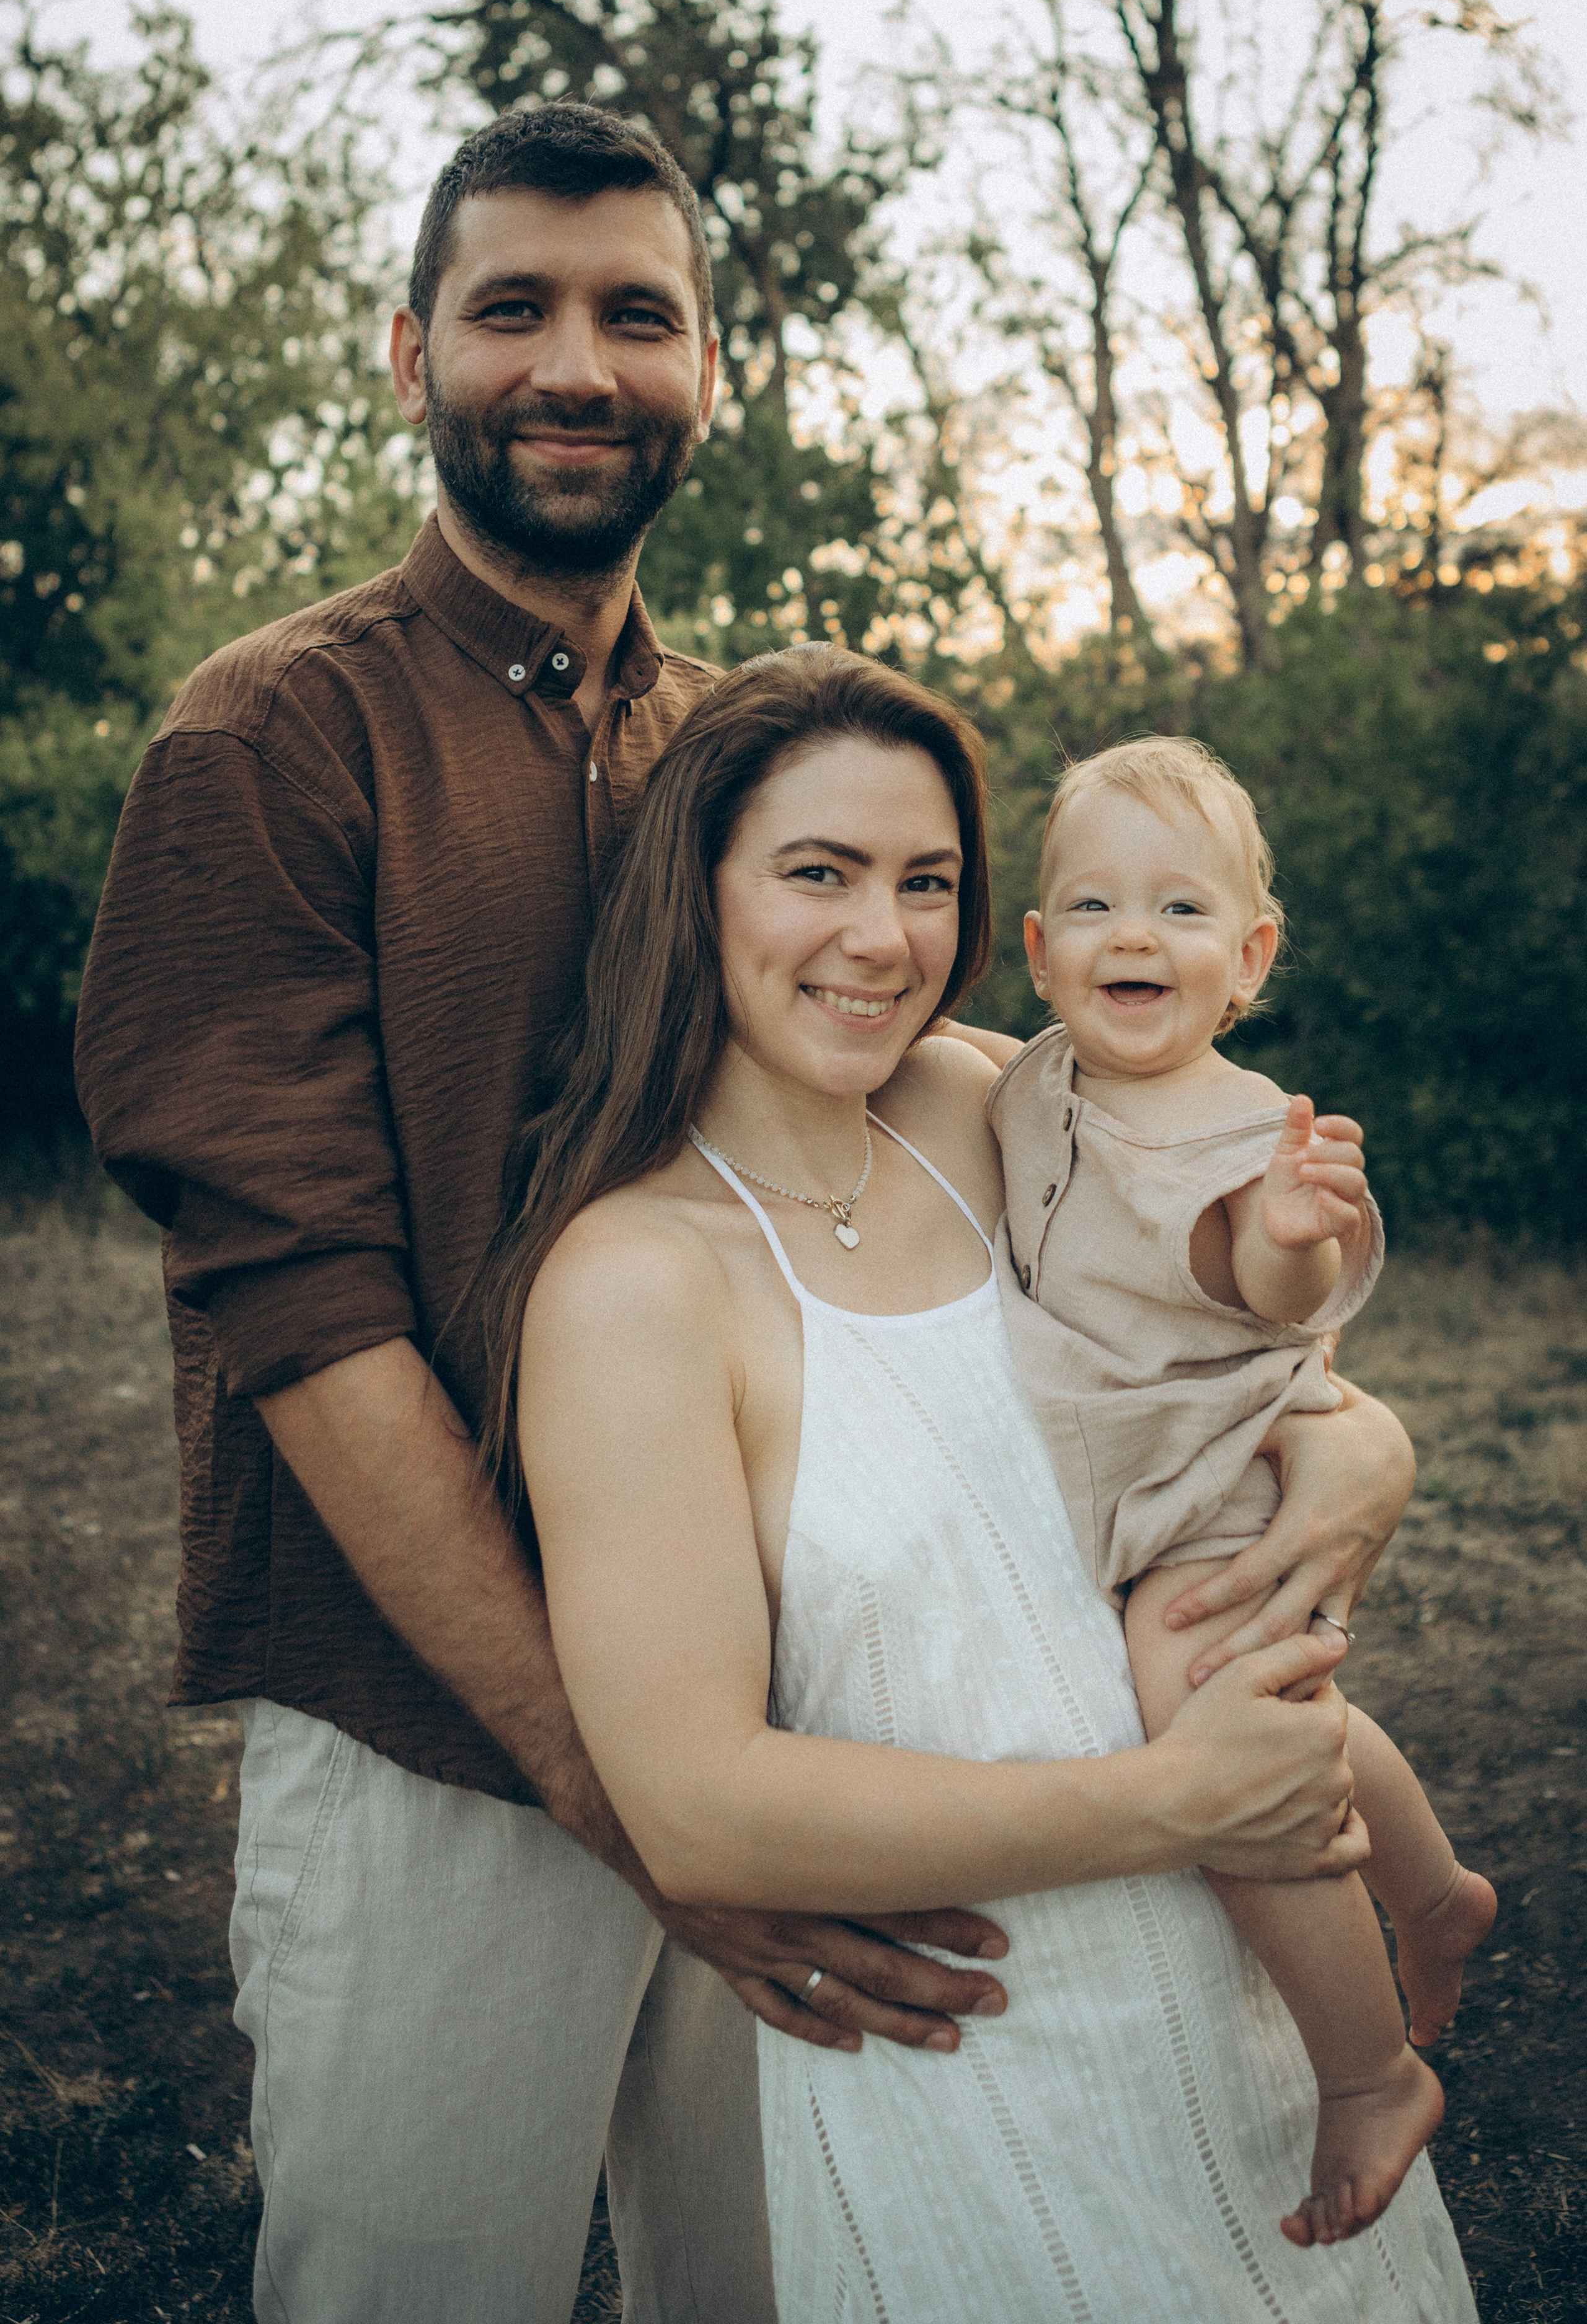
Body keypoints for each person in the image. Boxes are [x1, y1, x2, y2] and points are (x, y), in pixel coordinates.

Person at [74, 103, 1028, 2324]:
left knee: (784, 2290)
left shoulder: (740, 761)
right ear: (411, 354)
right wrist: (630, 1798)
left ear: (715, 367)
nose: (576, 364)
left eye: (637, 314)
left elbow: (934, 1129)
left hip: (785, 1710)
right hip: (446, 1734)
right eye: (513, 309)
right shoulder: (275, 741)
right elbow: (301, 1323)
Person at [490, 642, 1477, 2320]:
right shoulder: (629, 1282)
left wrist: (1353, 1439)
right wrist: (1172, 1805)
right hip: (980, 2052)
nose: (881, 937)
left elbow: (1203, 1334)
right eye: (819, 873)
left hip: (1256, 1980)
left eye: (925, 880)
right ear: (696, 891)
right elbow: (697, 1803)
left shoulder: (990, 1103)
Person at [987, 735, 1496, 2248]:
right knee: (1295, 1715)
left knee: (1208, 1725)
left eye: (1178, 911)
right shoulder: (1029, 1078)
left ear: (1249, 954)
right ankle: (1432, 1890)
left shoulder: (1234, 1126)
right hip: (1123, 1473)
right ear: (1033, 949)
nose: (1131, 936)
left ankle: (1362, 2071)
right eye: (1088, 907)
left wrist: (1288, 1230)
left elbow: (1268, 1282)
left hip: (1209, 1471)